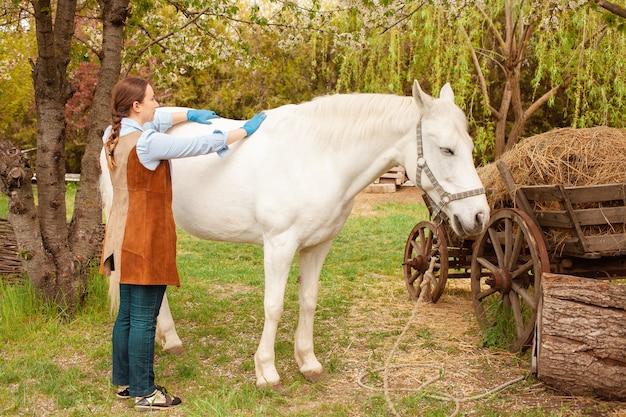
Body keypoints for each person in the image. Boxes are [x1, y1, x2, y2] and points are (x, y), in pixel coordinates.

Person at [99, 77, 265, 412]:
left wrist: (191, 112)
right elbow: (198, 145)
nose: (157, 103)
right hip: (144, 238)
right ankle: (145, 392)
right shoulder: (148, 144)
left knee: (128, 315)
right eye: (152, 98)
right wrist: (243, 131)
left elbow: (160, 119)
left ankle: (127, 383)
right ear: (136, 106)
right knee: (145, 317)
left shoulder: (112, 135)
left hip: (118, 237)